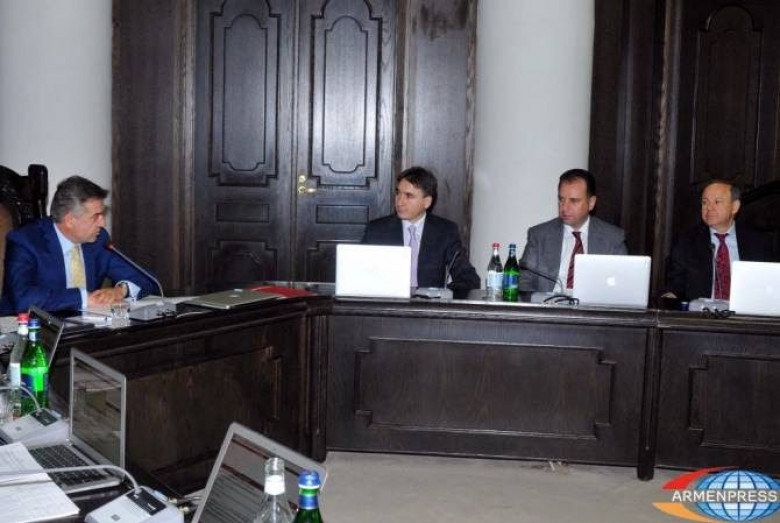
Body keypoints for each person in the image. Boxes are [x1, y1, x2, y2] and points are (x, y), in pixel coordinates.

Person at [0, 176, 158, 314]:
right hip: (32, 330)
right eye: (96, 216)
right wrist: (83, 299)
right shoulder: (25, 241)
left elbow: (148, 280)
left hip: (86, 328)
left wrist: (120, 290)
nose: (102, 223)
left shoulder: (98, 239)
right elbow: (23, 299)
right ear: (70, 220)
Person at [362, 166, 480, 290]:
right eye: (398, 193)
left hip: (428, 301)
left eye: (408, 196)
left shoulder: (445, 231)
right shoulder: (376, 230)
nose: (399, 202)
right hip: (388, 300)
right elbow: (359, 274)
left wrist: (442, 294)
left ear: (426, 202)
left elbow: (469, 279)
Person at [519, 168, 627, 292]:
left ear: (591, 203)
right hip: (549, 302)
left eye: (574, 201)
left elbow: (622, 285)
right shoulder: (539, 235)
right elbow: (523, 281)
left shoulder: (612, 239)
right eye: (561, 199)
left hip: (592, 304)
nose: (564, 207)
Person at [665, 180, 773, 302]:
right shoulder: (686, 241)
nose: (709, 208)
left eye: (717, 202)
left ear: (735, 207)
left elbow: (768, 284)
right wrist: (668, 298)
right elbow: (675, 285)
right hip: (700, 312)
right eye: (704, 202)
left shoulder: (758, 242)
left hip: (744, 311)